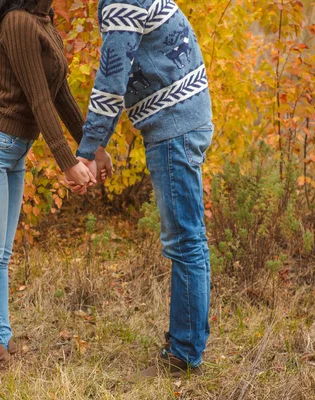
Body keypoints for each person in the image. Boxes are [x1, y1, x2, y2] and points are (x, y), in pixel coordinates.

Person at [0, 0, 106, 371]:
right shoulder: (19, 22)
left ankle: (0, 341)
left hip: (11, 152)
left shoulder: (43, 21)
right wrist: (68, 163)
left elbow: (61, 95)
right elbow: (39, 99)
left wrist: (94, 146)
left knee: (1, 257)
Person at [74, 0, 214, 378]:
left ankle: (185, 353)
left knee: (185, 240)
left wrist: (86, 152)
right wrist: (97, 146)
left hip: (175, 126)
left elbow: (112, 79)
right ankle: (189, 343)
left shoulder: (121, 1)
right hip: (184, 119)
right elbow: (120, 73)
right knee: (189, 239)